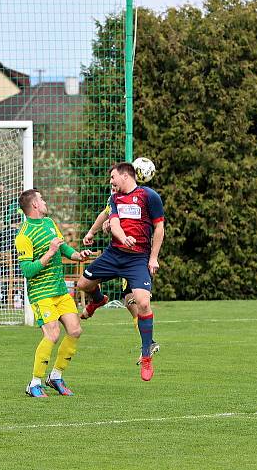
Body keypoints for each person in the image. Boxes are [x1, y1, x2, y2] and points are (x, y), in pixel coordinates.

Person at [77, 162, 165, 381]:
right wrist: (121, 236)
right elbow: (113, 222)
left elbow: (159, 228)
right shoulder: (114, 199)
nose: (111, 181)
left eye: (113, 177)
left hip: (137, 259)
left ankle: (146, 356)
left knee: (142, 303)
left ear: (125, 176)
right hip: (114, 254)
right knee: (82, 285)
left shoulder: (149, 196)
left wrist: (153, 258)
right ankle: (98, 300)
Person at [16, 189, 93, 397]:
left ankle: (56, 376)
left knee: (75, 330)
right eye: (41, 199)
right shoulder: (23, 235)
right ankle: (34, 383)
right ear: (34, 205)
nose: (44, 201)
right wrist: (49, 252)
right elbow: (27, 271)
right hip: (41, 293)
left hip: (59, 290)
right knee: (52, 333)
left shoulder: (50, 223)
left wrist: (78, 255)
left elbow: (63, 248)